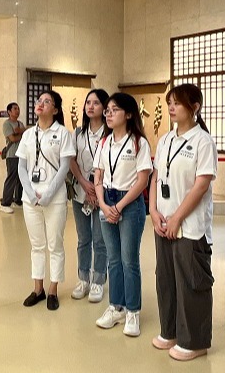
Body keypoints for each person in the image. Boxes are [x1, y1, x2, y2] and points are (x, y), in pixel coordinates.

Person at [149, 83, 217, 361]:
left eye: (177, 103)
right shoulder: (165, 140)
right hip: (163, 222)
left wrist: (177, 217)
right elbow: (156, 177)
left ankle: (194, 341)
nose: (171, 107)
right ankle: (170, 332)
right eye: (170, 103)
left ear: (195, 107)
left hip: (190, 226)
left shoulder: (203, 141)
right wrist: (153, 211)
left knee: (191, 282)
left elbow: (201, 185)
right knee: (166, 280)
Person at [93, 93, 152, 336]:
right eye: (107, 110)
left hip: (130, 203)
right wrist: (103, 204)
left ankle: (133, 311)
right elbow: (98, 175)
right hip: (106, 201)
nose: (108, 114)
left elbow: (142, 180)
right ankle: (115, 307)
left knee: (129, 260)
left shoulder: (138, 142)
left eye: (114, 109)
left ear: (128, 114)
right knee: (113, 259)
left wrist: (119, 207)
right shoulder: (104, 142)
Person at [17, 91, 75, 311]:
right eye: (39, 100)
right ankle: (38, 288)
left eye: (47, 101)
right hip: (31, 198)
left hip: (55, 198)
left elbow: (64, 167)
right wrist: (31, 193)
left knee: (55, 245)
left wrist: (49, 193)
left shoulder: (62, 133)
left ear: (55, 110)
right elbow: (21, 167)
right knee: (37, 245)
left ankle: (53, 290)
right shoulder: (28, 134)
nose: (41, 103)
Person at [69, 89, 110, 303]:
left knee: (100, 240)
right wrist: (85, 184)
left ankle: (98, 280)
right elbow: (71, 160)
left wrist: (96, 188)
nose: (90, 106)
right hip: (81, 193)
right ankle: (83, 278)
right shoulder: (78, 133)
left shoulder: (110, 133)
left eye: (96, 103)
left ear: (104, 107)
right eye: (88, 102)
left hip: (102, 194)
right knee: (83, 238)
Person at [0, 102, 26, 213]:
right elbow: (13, 139)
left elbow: (26, 134)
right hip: (12, 155)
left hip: (22, 155)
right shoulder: (7, 124)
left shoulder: (20, 124)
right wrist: (23, 133)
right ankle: (5, 203)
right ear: (9, 111)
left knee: (21, 178)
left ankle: (18, 200)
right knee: (12, 178)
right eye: (15, 109)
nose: (17, 111)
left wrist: (21, 132)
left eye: (18, 108)